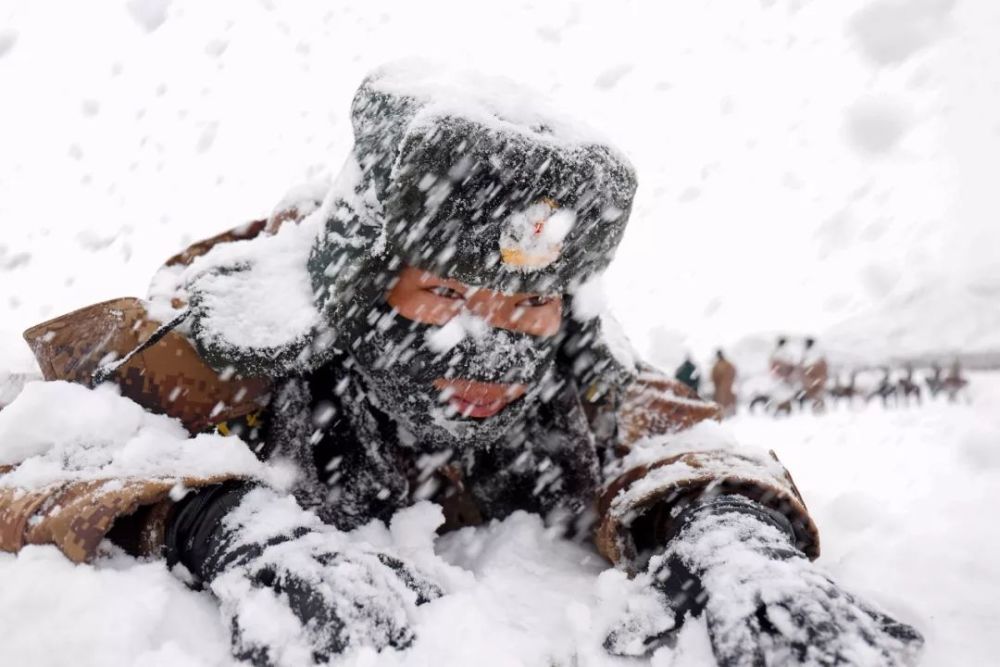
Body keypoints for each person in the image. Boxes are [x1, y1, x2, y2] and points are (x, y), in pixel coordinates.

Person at [0, 64, 921, 666]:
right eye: (444, 294)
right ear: (364, 283)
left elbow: (664, 436)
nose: (490, 343)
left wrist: (726, 531)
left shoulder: (569, 358)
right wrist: (219, 518)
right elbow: (40, 450)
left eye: (526, 304)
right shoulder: (228, 336)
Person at [800, 337, 828, 413]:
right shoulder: (817, 392)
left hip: (812, 372)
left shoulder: (812, 393)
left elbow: (804, 374)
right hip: (814, 372)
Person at [710, 348, 737, 417]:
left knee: (727, 401)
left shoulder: (727, 364)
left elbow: (733, 373)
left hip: (726, 387)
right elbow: (713, 376)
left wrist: (728, 381)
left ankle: (729, 414)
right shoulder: (717, 365)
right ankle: (722, 414)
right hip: (720, 388)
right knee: (721, 402)